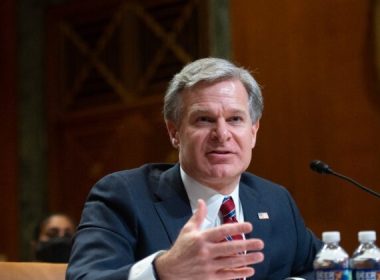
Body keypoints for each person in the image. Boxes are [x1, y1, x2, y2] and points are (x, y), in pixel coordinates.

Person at [67, 57, 322, 279]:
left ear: (253, 132)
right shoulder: (124, 196)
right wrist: (163, 271)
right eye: (204, 119)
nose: (222, 134)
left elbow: (327, 269)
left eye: (235, 119)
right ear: (174, 132)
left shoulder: (275, 201)